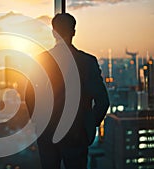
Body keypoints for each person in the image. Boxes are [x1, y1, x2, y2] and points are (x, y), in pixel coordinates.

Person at [25, 13, 110, 169]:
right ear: (74, 32)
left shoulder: (41, 60)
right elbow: (102, 101)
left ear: (53, 32)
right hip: (77, 134)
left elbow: (29, 96)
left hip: (47, 132)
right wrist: (88, 126)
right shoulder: (87, 62)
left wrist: (38, 122)